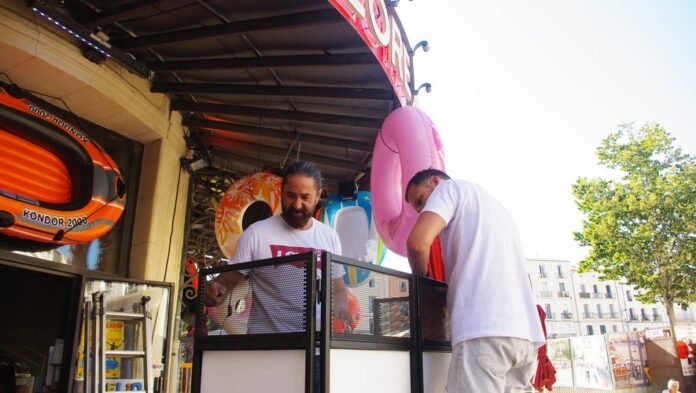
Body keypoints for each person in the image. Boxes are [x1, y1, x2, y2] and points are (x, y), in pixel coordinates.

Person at [405, 169, 546, 393]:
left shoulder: (448, 189)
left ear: (434, 181)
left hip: (484, 331)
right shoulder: (498, 209)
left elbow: (417, 243)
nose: (422, 210)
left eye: (421, 200)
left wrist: (423, 285)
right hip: (524, 336)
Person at [204, 160, 351, 333]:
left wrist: (341, 308)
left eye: (305, 197)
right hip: (267, 347)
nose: (297, 204)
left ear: (318, 196)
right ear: (281, 192)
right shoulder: (256, 233)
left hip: (315, 347)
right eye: (291, 195)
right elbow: (228, 280)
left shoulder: (329, 237)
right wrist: (215, 289)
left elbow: (338, 288)